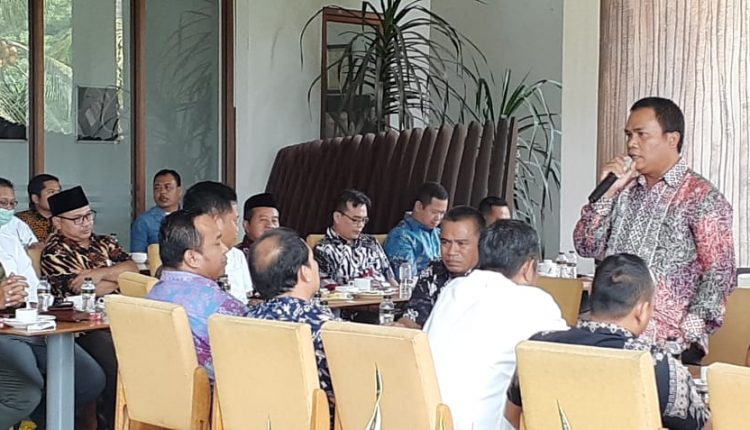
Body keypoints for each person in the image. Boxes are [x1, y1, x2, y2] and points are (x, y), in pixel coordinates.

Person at [573, 97, 736, 364]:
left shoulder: (701, 197)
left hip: (668, 341)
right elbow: (586, 245)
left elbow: (720, 273)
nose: (631, 144)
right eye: (629, 135)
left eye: (641, 134)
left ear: (672, 139)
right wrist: (606, 194)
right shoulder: (622, 189)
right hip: (608, 333)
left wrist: (687, 332)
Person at [504, 253, 711, 430]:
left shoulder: (537, 347)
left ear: (591, 294)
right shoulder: (657, 364)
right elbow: (705, 427)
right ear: (641, 310)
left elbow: (513, 416)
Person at [424, 219, 567, 430]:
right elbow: (568, 359)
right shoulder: (534, 301)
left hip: (430, 421)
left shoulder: (453, 289)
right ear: (529, 267)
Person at [41, 185, 137, 430]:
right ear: (57, 222)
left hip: (119, 318)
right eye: (77, 219)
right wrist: (114, 277)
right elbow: (77, 289)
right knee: (117, 363)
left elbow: (132, 271)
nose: (86, 223)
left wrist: (97, 273)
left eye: (88, 215)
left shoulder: (105, 242)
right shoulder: (54, 252)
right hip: (82, 329)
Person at [0, 264, 105, 429]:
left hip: (16, 327)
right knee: (24, 393)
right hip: (7, 336)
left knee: (89, 378)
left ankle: (47, 422)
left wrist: (13, 297)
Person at [147, 209, 248, 379]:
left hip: (157, 389)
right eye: (217, 243)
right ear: (192, 258)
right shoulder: (223, 308)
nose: (225, 249)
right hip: (212, 394)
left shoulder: (152, 296)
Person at [248, 227, 339, 414]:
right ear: (305, 272)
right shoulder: (325, 327)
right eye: (313, 260)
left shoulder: (242, 321)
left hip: (258, 418)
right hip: (315, 421)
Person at [397, 206, 483, 329]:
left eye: (461, 244)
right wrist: (400, 328)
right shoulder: (434, 270)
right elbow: (414, 315)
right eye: (445, 242)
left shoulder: (491, 279)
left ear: (481, 243)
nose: (451, 252)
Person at [183, 181, 253, 303]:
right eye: (235, 221)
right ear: (215, 221)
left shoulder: (237, 256)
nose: (237, 229)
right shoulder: (188, 261)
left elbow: (246, 298)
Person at [314, 189, 395, 288]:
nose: (361, 225)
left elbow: (391, 278)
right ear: (337, 217)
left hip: (385, 295)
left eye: (364, 220)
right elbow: (329, 290)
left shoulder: (370, 242)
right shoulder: (324, 250)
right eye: (355, 220)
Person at [385, 182, 449, 280]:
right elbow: (407, 279)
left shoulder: (440, 233)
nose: (438, 218)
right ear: (418, 206)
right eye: (434, 212)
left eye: (442, 213)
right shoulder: (401, 236)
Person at [130, 169, 182, 253]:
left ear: (179, 191)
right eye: (157, 188)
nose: (162, 192)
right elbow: (137, 255)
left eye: (168, 188)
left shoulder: (190, 218)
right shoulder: (143, 221)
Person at [16, 173, 61, 242]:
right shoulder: (20, 221)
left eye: (59, 192)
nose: (57, 196)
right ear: (35, 198)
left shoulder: (66, 219)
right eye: (51, 192)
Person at [237, 192, 280, 259]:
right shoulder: (235, 256)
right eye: (263, 220)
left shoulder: (285, 253)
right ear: (246, 225)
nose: (270, 225)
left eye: (274, 220)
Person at [0, 178, 39, 250]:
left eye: (12, 203)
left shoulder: (17, 224)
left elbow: (35, 247)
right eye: (3, 202)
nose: (9, 207)